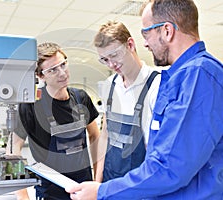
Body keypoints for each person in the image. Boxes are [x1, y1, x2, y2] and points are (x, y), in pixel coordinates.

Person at [66, 0, 223, 199]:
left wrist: (102, 191)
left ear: (167, 31)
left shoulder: (198, 76)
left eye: (146, 33)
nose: (145, 43)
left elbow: (169, 168)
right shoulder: (181, 77)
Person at [8, 42, 101, 200]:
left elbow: (95, 136)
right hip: (50, 191)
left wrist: (97, 181)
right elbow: (12, 149)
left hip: (83, 188)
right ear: (40, 76)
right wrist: (22, 196)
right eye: (53, 70)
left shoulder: (81, 98)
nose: (62, 73)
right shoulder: (31, 105)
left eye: (63, 64)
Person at [93, 21, 160, 183]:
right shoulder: (109, 85)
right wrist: (97, 182)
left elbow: (158, 150)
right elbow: (105, 135)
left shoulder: (157, 85)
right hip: (110, 181)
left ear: (130, 44)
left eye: (114, 55)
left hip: (141, 184)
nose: (111, 64)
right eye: (104, 59)